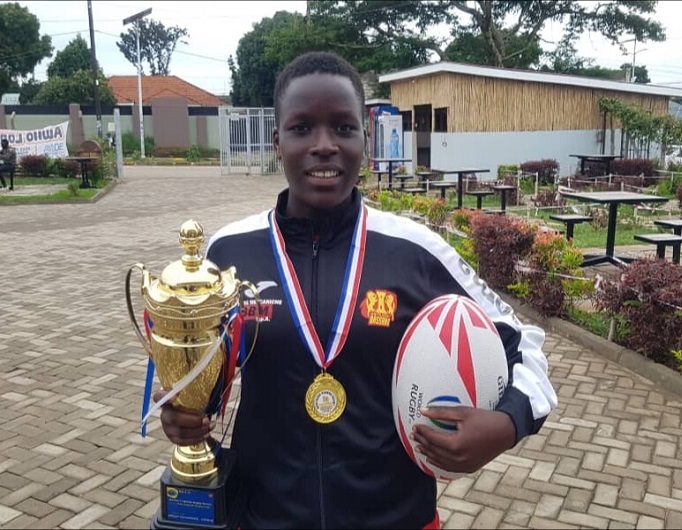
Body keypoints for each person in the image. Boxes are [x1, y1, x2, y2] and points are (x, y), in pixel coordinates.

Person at [155, 51, 557, 529]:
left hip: (396, 516)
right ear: (276, 140)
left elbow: (524, 345)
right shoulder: (229, 251)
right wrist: (185, 411)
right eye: (302, 128)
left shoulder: (415, 250)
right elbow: (198, 366)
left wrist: (507, 423)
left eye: (343, 128)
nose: (324, 145)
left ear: (364, 141)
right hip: (263, 516)